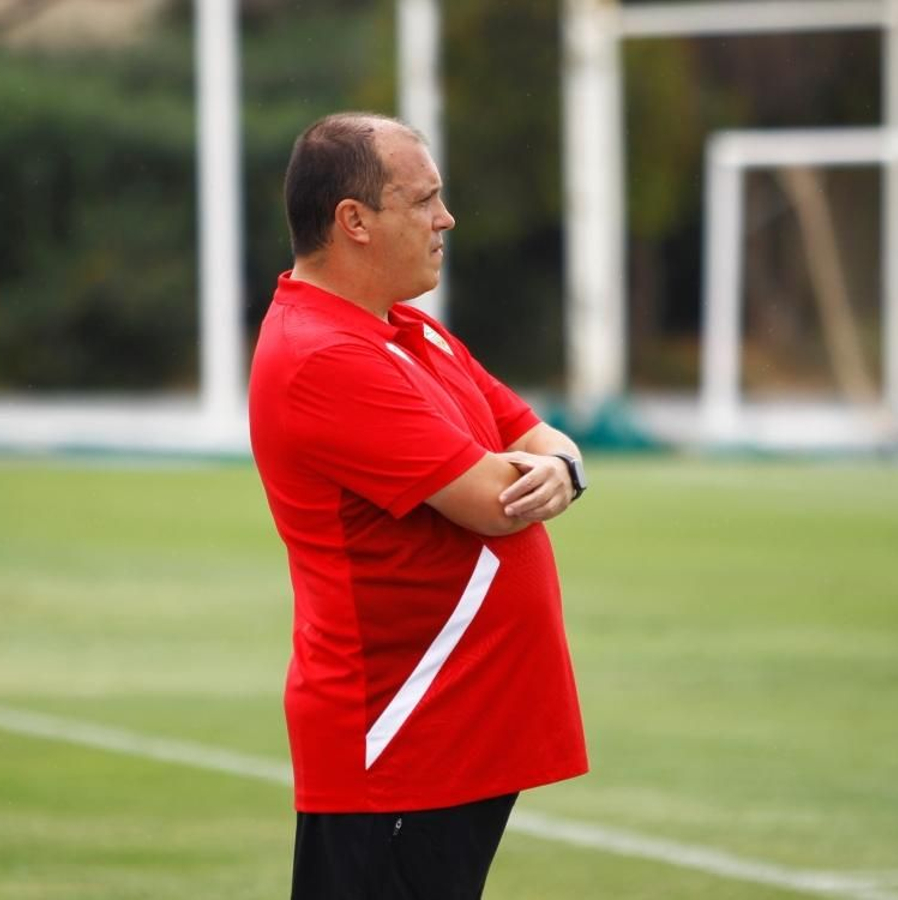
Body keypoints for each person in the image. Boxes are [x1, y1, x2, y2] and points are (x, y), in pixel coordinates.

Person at [249, 111, 590, 900]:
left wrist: (564, 471)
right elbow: (493, 500)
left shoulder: (408, 332)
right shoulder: (323, 355)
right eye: (424, 200)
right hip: (400, 743)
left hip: (451, 734)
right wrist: (543, 473)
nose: (447, 219)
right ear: (354, 221)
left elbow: (543, 439)